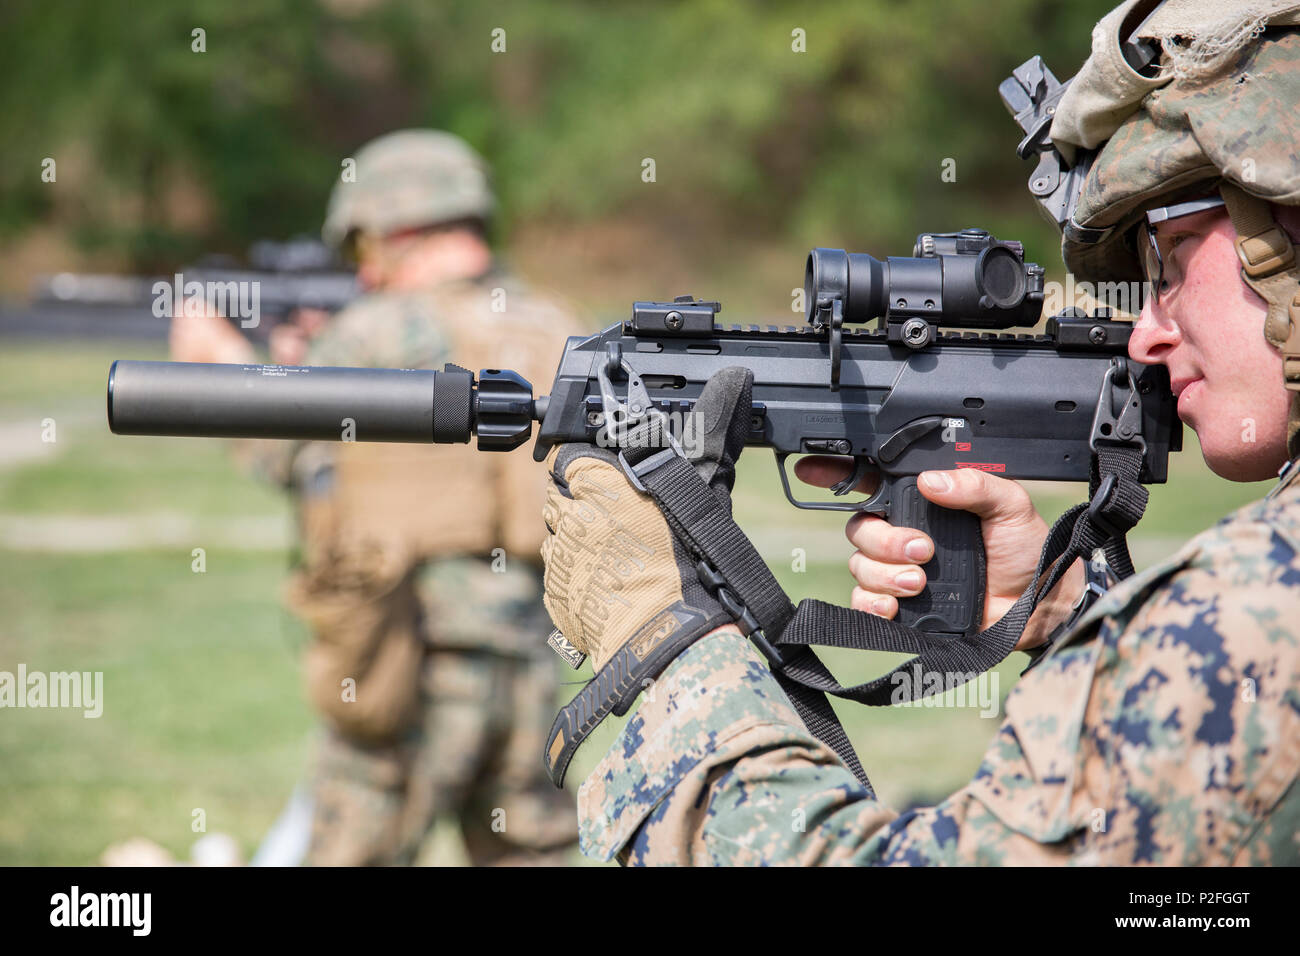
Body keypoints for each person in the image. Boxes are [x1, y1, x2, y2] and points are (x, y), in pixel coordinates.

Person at [538, 1, 1300, 865]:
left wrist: (668, 637)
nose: (1144, 332)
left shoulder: (1261, 603)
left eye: (1172, 262)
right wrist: (1059, 615)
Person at [171, 129, 581, 865]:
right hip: (529, 655)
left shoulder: (370, 333)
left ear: (398, 232)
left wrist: (225, 367)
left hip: (407, 652)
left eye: (363, 249)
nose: (361, 273)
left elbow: (285, 454)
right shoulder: (556, 326)